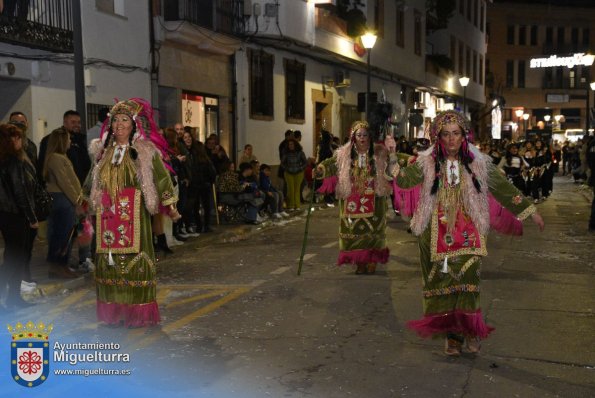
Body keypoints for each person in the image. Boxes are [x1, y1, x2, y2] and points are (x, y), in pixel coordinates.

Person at [394, 110, 544, 356]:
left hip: (469, 233)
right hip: (435, 234)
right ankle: (452, 337)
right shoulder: (425, 163)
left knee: (468, 282)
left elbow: (503, 188)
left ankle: (470, 331)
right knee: (444, 283)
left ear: (464, 135)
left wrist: (529, 211)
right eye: (446, 134)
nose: (451, 139)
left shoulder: (479, 162)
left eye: (456, 133)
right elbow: (404, 181)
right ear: (438, 137)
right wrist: (392, 161)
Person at [87, 98, 180, 327]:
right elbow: (92, 179)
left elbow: (161, 176)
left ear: (134, 125)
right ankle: (115, 311)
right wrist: (84, 201)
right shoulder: (103, 153)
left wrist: (170, 203)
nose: (119, 124)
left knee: (135, 264)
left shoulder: (145, 151)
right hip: (108, 217)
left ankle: (136, 313)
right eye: (115, 120)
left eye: (124, 120)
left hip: (134, 216)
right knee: (110, 265)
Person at [316, 121, 396, 275]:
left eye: (365, 135)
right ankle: (360, 262)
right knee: (354, 232)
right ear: (353, 137)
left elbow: (394, 161)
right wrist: (320, 169)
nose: (362, 138)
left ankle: (372, 260)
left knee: (373, 232)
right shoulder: (344, 154)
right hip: (351, 198)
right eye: (359, 135)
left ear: (369, 137)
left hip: (374, 197)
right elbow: (332, 164)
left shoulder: (379, 152)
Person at [0, 124, 38, 310]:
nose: (19, 141)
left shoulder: (4, 160)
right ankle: (10, 297)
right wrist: (31, 218)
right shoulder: (14, 162)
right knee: (15, 258)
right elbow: (20, 193)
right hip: (16, 215)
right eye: (14, 138)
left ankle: (13, 297)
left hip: (6, 215)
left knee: (13, 256)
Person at [44, 128, 83, 279]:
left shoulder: (60, 157)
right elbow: (65, 182)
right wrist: (77, 201)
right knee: (62, 235)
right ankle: (57, 265)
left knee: (66, 235)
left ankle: (62, 265)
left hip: (65, 199)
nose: (70, 142)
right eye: (68, 139)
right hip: (62, 199)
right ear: (61, 140)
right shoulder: (56, 158)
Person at [281, 138, 307, 211]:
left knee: (297, 189)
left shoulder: (300, 152)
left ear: (295, 145)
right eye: (289, 144)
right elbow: (282, 163)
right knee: (290, 189)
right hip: (288, 173)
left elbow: (305, 162)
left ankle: (297, 205)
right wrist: (286, 168)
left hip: (299, 172)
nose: (291, 146)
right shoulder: (286, 153)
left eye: (292, 144)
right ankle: (291, 205)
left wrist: (301, 168)